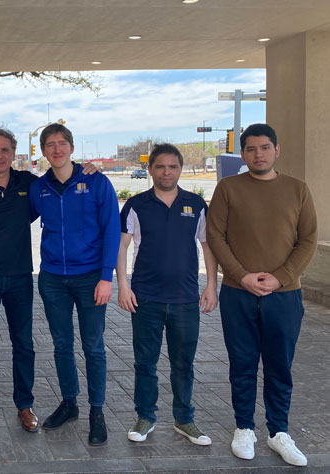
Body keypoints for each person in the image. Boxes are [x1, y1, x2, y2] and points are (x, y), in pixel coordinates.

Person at [0, 128, 95, 434]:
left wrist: (87, 167)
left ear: (13, 153)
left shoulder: (29, 184)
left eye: (5, 150)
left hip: (20, 279)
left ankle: (25, 405)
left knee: (24, 344)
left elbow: (61, 181)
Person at [206, 123, 317, 467]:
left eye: (265, 148)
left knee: (279, 365)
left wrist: (280, 278)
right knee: (242, 364)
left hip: (284, 295)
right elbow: (215, 235)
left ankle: (278, 432)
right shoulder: (228, 188)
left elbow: (308, 240)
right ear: (243, 154)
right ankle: (244, 428)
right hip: (238, 293)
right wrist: (242, 275)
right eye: (251, 149)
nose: (258, 154)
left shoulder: (297, 190)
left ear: (276, 150)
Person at [116, 143, 217, 446]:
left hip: (186, 299)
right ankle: (145, 416)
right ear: (150, 170)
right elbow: (121, 246)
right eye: (160, 166)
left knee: (183, 364)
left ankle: (184, 419)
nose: (166, 172)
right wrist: (123, 284)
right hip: (145, 298)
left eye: (172, 166)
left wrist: (211, 284)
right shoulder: (136, 204)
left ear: (180, 169)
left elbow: (208, 245)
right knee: (145, 363)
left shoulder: (196, 204)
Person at [28, 123, 119, 445]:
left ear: (72, 147)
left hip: (91, 277)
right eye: (50, 144)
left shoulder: (96, 182)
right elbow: (13, 215)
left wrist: (106, 277)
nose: (56, 149)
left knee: (93, 346)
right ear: (43, 151)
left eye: (62, 143)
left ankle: (97, 411)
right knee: (62, 345)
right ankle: (70, 403)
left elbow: (112, 231)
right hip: (52, 278)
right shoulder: (39, 188)